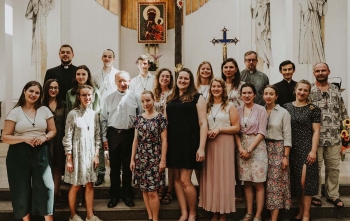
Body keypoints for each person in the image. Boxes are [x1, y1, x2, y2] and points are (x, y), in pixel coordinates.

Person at [2, 81, 56, 221]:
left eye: (37, 92)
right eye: (31, 91)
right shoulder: (15, 112)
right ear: (24, 91)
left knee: (47, 187)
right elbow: (5, 137)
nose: (34, 94)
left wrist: (45, 137)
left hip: (41, 152)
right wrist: (24, 138)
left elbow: (53, 130)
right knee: (21, 189)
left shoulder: (44, 110)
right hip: (18, 153)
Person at [165, 68, 208, 221]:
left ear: (190, 81)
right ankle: (183, 212)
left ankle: (192, 213)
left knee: (185, 180)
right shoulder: (170, 98)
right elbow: (166, 122)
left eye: (186, 79)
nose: (183, 81)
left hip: (189, 143)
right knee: (176, 180)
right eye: (180, 78)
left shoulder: (197, 97)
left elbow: (203, 123)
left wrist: (201, 147)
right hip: (173, 143)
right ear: (176, 80)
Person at [199, 78, 240, 221]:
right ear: (210, 89)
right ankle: (214, 211)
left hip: (225, 144)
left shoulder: (229, 105)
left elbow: (236, 127)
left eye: (219, 86)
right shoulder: (207, 106)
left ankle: (223, 213)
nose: (216, 89)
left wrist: (219, 129)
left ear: (223, 89)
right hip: (210, 144)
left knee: (224, 177)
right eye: (213, 86)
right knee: (212, 178)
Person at [100, 71, 142, 208]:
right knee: (114, 167)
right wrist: (105, 138)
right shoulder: (109, 98)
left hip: (130, 134)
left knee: (128, 166)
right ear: (115, 82)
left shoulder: (135, 98)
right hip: (113, 134)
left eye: (125, 81)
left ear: (130, 81)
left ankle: (127, 195)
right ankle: (114, 196)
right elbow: (103, 120)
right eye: (120, 81)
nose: (122, 84)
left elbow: (140, 118)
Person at [309, 63, 348, 208]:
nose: (320, 73)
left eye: (323, 70)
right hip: (315, 138)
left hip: (333, 137)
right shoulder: (309, 91)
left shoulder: (336, 90)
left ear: (328, 72)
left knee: (333, 168)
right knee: (316, 168)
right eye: (317, 71)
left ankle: (333, 195)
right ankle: (315, 194)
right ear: (314, 73)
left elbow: (343, 113)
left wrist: (345, 138)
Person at [63, 85, 102, 221]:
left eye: (89, 95)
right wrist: (69, 158)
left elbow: (98, 136)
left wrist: (96, 155)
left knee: (90, 183)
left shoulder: (94, 114)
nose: (87, 98)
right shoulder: (72, 114)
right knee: (76, 185)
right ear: (79, 97)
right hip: (77, 155)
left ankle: (90, 215)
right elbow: (67, 138)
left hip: (90, 154)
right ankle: (73, 215)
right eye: (84, 95)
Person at [284, 80, 321, 221]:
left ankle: (306, 214)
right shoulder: (286, 107)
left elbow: (316, 131)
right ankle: (300, 211)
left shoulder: (313, 109)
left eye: (305, 90)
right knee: (297, 183)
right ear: (295, 90)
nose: (302, 92)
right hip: (291, 149)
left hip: (306, 147)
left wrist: (313, 150)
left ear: (309, 92)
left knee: (306, 182)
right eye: (300, 89)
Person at [130, 91, 168, 221]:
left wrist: (163, 160)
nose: (145, 103)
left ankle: (155, 218)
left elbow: (164, 141)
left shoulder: (160, 118)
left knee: (152, 191)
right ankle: (150, 217)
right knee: (144, 190)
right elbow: (135, 140)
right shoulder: (139, 118)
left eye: (148, 100)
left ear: (153, 100)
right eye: (143, 101)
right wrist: (132, 159)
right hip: (141, 157)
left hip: (155, 157)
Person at [234, 83, 268, 221]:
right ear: (241, 95)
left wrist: (249, 149)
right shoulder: (237, 110)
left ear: (254, 94)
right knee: (246, 182)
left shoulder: (261, 110)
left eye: (249, 93)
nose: (247, 95)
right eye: (244, 93)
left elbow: (262, 132)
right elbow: (235, 131)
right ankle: (249, 212)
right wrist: (241, 148)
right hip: (242, 147)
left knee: (258, 183)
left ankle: (258, 215)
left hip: (257, 147)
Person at [263, 85, 292, 221]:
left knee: (274, 184)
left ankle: (274, 218)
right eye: (266, 93)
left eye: (271, 94)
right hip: (262, 147)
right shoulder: (259, 110)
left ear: (276, 96)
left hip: (278, 148)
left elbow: (287, 135)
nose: (268, 96)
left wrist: (285, 156)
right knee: (263, 183)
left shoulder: (283, 112)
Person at [93, 49, 119, 187]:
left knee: (115, 143)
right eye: (105, 56)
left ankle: (117, 171)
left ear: (114, 59)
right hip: (99, 112)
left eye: (110, 56)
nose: (107, 58)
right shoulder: (95, 75)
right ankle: (101, 172)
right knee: (100, 143)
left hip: (115, 113)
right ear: (101, 58)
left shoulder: (118, 74)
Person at [221, 58, 244, 204]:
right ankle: (226, 188)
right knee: (226, 158)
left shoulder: (241, 86)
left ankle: (239, 188)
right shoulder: (220, 85)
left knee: (237, 159)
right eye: (226, 67)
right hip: (223, 124)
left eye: (231, 67)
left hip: (238, 123)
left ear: (236, 69)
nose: (228, 69)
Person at [42, 79, 67, 208]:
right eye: (51, 87)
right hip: (44, 141)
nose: (53, 90)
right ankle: (45, 195)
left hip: (59, 141)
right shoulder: (40, 105)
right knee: (45, 169)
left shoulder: (63, 105)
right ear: (46, 88)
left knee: (57, 169)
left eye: (56, 88)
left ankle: (56, 195)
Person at [153, 68, 174, 204]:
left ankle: (170, 191)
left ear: (171, 79)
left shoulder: (173, 93)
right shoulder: (154, 93)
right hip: (155, 132)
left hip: (170, 130)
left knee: (170, 162)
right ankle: (159, 188)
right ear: (158, 78)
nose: (165, 78)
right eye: (163, 76)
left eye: (167, 76)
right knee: (157, 161)